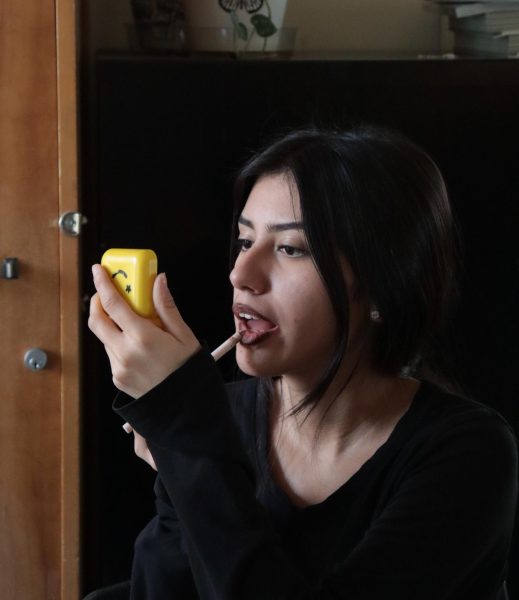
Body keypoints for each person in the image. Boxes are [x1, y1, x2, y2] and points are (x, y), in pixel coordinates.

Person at [87, 126, 518, 600]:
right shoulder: (217, 414)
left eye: (291, 249)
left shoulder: (469, 454)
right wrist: (183, 453)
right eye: (245, 241)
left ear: (381, 283)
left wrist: (191, 443)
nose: (240, 274)